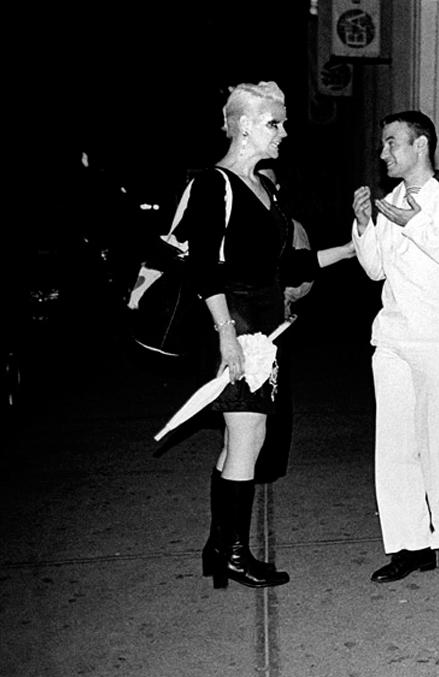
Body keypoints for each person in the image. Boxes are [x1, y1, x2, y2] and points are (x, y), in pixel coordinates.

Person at [179, 81, 355, 589]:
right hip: (234, 326)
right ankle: (233, 554)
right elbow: (203, 269)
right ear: (245, 125)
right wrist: (226, 335)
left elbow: (285, 265)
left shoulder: (263, 186)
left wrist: (346, 250)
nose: (283, 132)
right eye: (274, 123)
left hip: (262, 328)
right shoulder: (215, 184)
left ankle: (220, 547)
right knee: (248, 437)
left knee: (241, 438)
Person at [350, 110, 439, 583]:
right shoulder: (389, 201)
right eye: (384, 144)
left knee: (438, 441)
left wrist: (415, 224)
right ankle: (407, 546)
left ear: (421, 145)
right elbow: (375, 270)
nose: (384, 153)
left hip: (438, 338)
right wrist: (366, 225)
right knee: (393, 447)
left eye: (392, 143)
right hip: (392, 339)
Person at [252, 162, 314, 485]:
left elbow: (306, 275)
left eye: (271, 183)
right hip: (244, 324)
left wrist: (285, 295)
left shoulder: (292, 226)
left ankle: (271, 461)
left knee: (275, 393)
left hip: (278, 325)